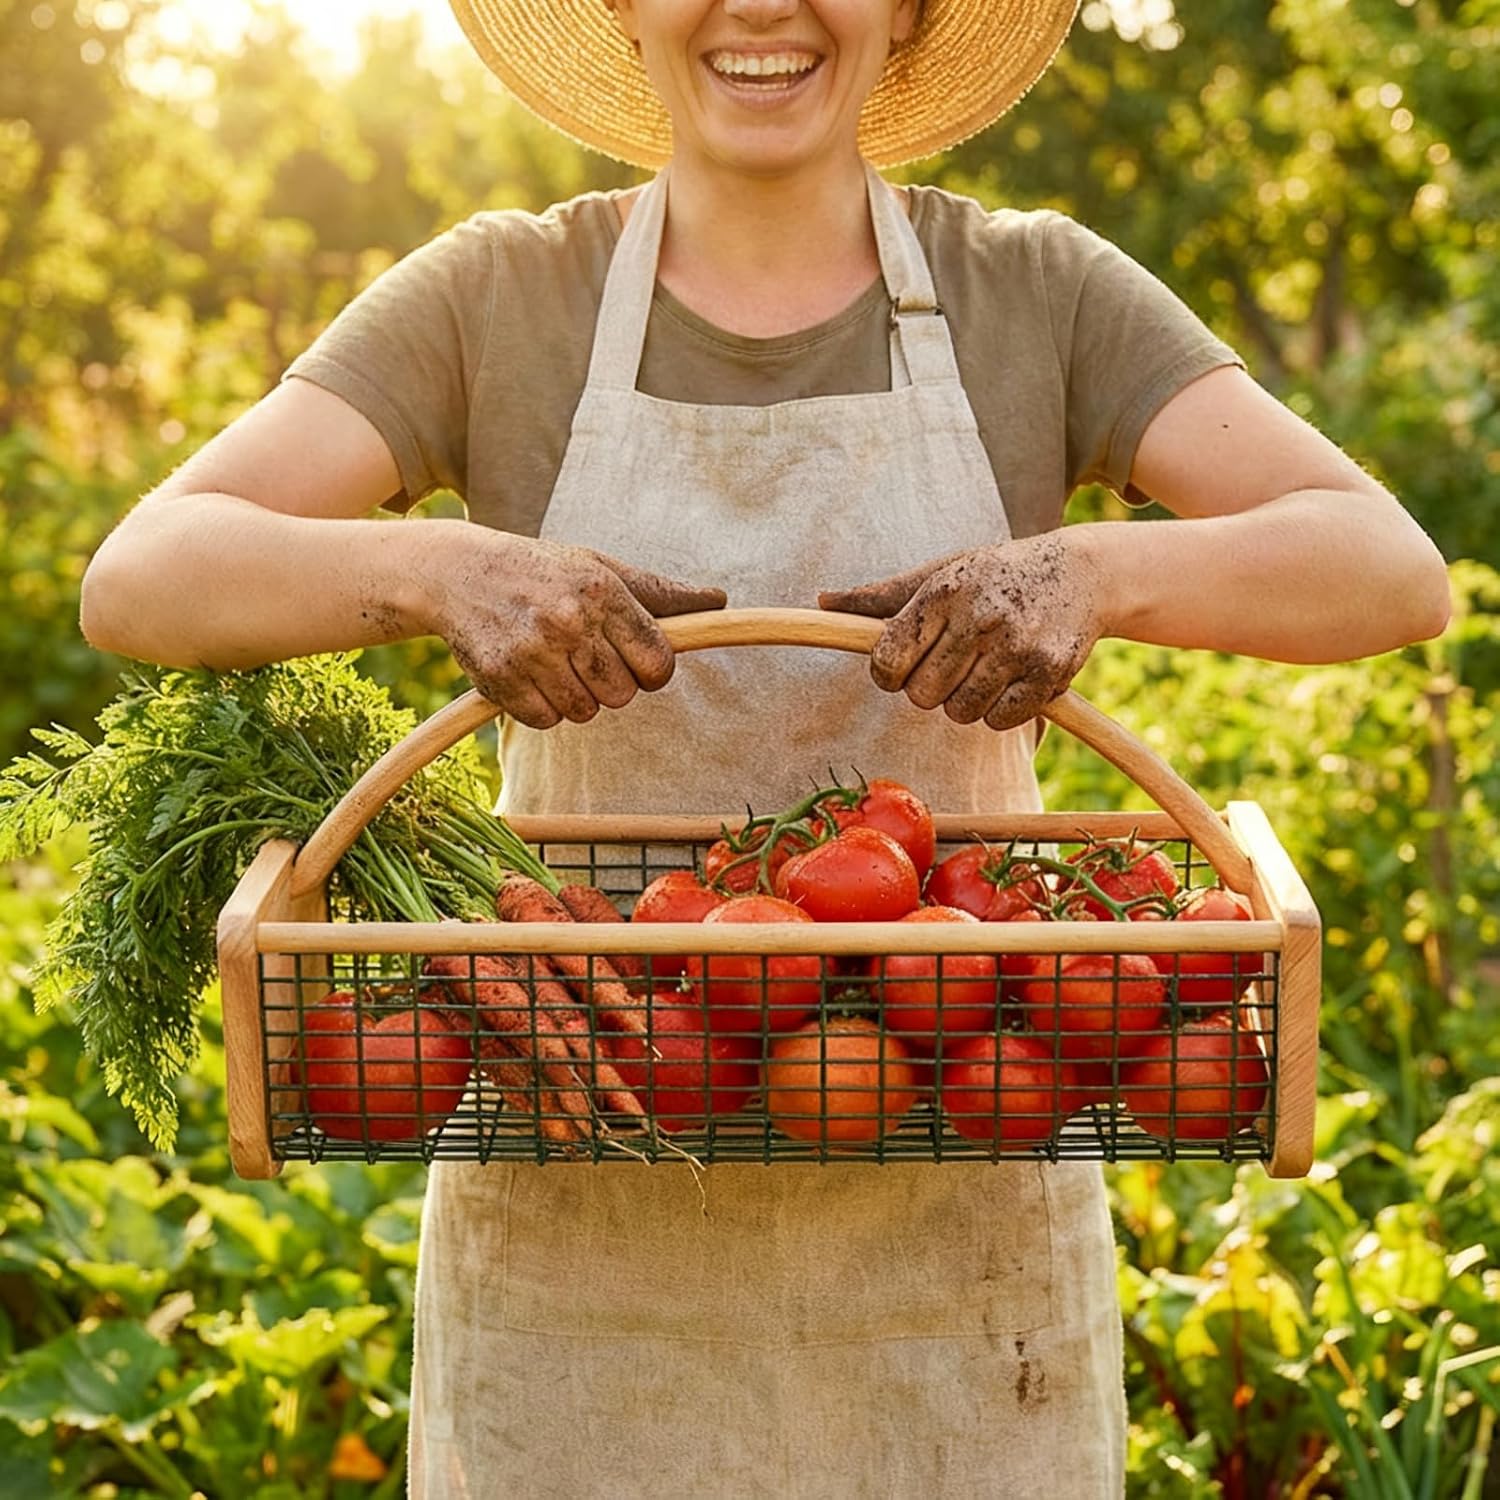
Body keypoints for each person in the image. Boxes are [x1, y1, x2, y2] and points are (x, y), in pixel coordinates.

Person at [79, 0, 1450, 1492]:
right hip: (586, 1211)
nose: (763, 6)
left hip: (960, 1241)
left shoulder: (1033, 291)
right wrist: (444, 572)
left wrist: (1096, 573)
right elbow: (145, 574)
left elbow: (1386, 568)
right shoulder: (499, 298)